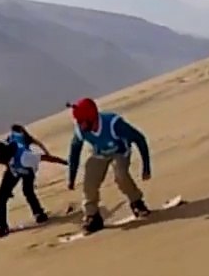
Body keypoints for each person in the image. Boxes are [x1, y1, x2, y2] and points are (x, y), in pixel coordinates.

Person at [65, 98, 152, 235]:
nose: (80, 125)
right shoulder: (81, 130)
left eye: (82, 121)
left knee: (120, 175)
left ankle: (137, 202)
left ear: (91, 117)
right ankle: (92, 215)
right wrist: (71, 177)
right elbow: (74, 152)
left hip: (120, 152)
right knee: (90, 181)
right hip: (99, 153)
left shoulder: (113, 123)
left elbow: (139, 138)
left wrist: (146, 167)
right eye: (78, 121)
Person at [0, 135, 68, 236]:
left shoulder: (26, 157)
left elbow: (46, 158)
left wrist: (66, 163)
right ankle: (2, 225)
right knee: (2, 195)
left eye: (0, 162)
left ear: (4, 158)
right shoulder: (4, 150)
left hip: (27, 170)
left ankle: (39, 213)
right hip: (13, 170)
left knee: (27, 191)